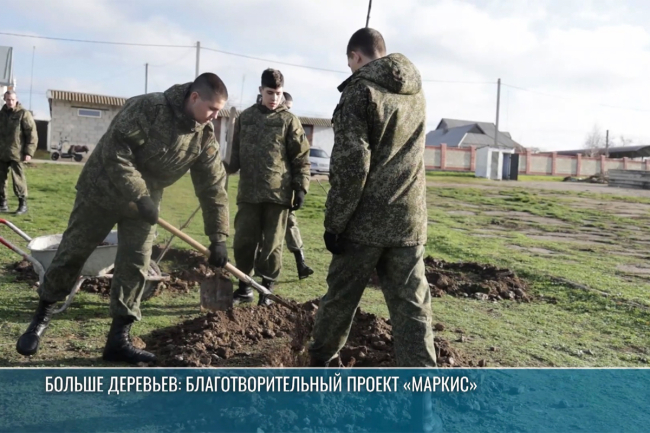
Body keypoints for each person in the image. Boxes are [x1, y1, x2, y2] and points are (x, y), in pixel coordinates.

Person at [16, 73, 231, 364]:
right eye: (212, 109)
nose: (215, 117)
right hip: (102, 190)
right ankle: (41, 319)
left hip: (145, 204)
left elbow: (213, 187)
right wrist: (139, 194)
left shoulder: (203, 137)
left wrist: (218, 237)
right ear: (195, 97)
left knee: (136, 264)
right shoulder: (149, 108)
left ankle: (118, 339)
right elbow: (116, 151)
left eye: (219, 111)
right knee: (73, 252)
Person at [309, 28, 436, 367]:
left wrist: (335, 224)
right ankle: (421, 390)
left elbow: (352, 166)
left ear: (356, 56)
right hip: (408, 220)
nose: (350, 68)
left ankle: (319, 370)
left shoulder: (359, 92)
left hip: (363, 224)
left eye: (350, 62)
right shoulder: (416, 92)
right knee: (413, 308)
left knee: (340, 300)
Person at [225, 69, 310, 306]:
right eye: (270, 92)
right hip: (248, 194)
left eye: (278, 93)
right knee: (243, 242)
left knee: (272, 245)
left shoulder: (289, 121)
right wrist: (224, 165)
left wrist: (301, 188)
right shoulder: (246, 118)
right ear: (261, 90)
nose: (274, 98)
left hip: (277, 195)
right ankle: (244, 288)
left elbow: (301, 157)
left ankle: (267, 290)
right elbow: (234, 155)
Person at [281, 92, 314, 279]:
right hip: (263, 189)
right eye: (286, 106)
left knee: (290, 222)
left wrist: (300, 188)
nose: (287, 111)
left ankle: (301, 263)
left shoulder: (292, 125)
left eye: (289, 108)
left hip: (286, 187)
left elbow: (301, 158)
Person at [0, 90, 38, 215]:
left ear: (16, 99)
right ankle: (2, 204)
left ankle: (23, 205)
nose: (10, 102)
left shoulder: (23, 114)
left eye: (12, 99)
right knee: (0, 179)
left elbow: (31, 134)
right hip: (2, 153)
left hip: (17, 153)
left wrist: (29, 152)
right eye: (8, 99)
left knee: (18, 179)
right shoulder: (1, 114)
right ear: (4, 99)